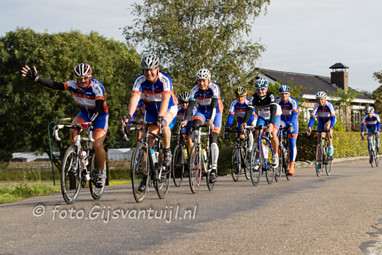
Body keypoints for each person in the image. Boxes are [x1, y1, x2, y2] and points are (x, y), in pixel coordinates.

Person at [21, 63, 109, 188]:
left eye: (85, 77)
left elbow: (99, 108)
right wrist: (37, 79)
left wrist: (92, 121)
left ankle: (101, 172)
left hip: (100, 116)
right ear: (76, 78)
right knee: (73, 128)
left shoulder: (97, 87)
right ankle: (80, 153)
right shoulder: (73, 85)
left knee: (97, 144)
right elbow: (55, 85)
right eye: (79, 78)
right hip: (84, 113)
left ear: (90, 76)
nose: (82, 81)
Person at [122, 53, 177, 192]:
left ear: (157, 68)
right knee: (148, 139)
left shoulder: (165, 80)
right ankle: (146, 175)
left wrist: (160, 117)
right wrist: (129, 116)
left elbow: (165, 100)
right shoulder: (139, 80)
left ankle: (167, 151)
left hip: (168, 107)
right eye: (146, 70)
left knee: (163, 125)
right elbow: (134, 98)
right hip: (151, 109)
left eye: (151, 69)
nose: (148, 73)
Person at [181, 68, 224, 182]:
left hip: (215, 112)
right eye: (199, 81)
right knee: (195, 125)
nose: (201, 83)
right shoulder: (194, 90)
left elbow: (214, 106)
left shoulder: (214, 88)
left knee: (213, 139)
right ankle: (198, 149)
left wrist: (211, 119)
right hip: (201, 112)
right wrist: (186, 120)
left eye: (204, 80)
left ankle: (214, 169)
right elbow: (190, 106)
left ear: (209, 80)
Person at [242, 77, 282, 168]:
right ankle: (257, 159)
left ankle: (275, 156)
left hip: (274, 115)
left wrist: (271, 123)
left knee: (273, 132)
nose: (260, 91)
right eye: (258, 89)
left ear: (266, 89)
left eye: (263, 89)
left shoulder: (270, 95)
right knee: (257, 134)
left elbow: (273, 109)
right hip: (262, 116)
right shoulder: (254, 97)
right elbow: (249, 110)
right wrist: (245, 122)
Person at [306, 91, 336, 171]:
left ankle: (330, 146)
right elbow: (312, 117)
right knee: (319, 140)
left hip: (329, 120)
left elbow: (333, 117)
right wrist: (309, 127)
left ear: (325, 99)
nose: (320, 101)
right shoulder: (316, 105)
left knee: (327, 127)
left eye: (322, 99)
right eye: (318, 100)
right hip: (321, 121)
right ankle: (319, 161)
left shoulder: (329, 105)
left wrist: (331, 127)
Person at [225, 86, 257, 153]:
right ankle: (240, 152)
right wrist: (228, 126)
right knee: (238, 135)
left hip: (251, 119)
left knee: (249, 130)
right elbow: (231, 116)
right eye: (238, 96)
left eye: (242, 96)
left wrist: (246, 125)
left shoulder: (249, 102)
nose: (240, 98)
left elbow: (251, 115)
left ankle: (250, 150)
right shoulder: (233, 103)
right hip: (240, 120)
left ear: (245, 96)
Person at [276, 85, 299, 175]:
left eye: (286, 94)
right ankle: (277, 159)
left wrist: (291, 124)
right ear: (279, 94)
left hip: (292, 121)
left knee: (292, 142)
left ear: (289, 94)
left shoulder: (293, 101)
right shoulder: (277, 101)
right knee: (276, 135)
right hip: (281, 120)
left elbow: (294, 114)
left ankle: (292, 165)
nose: (284, 96)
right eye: (282, 94)